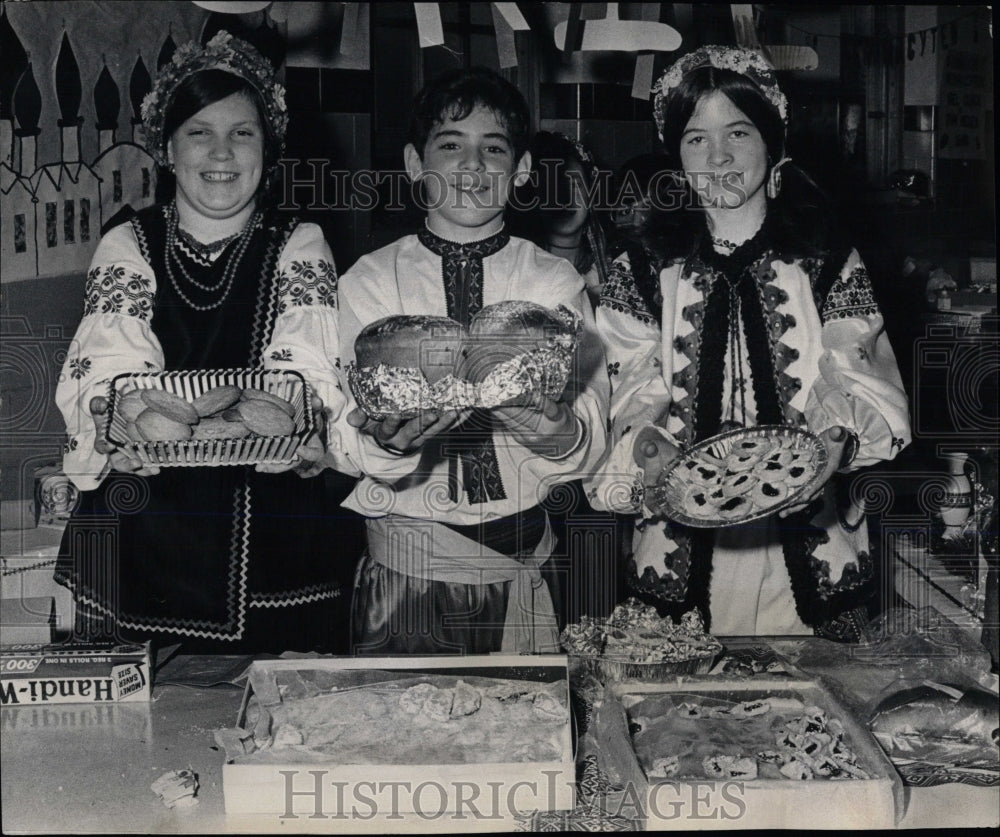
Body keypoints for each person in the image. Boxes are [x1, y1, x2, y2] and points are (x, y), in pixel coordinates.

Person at [586, 47, 912, 640]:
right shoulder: (643, 266)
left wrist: (833, 440)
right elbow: (625, 381)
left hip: (812, 542)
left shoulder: (825, 258)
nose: (719, 156)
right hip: (676, 548)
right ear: (674, 155)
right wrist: (648, 448)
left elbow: (855, 367)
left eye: (738, 131)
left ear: (774, 142)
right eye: (695, 138)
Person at [54, 32, 363, 655]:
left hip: (271, 540)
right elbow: (111, 368)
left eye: (242, 133)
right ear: (167, 149)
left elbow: (303, 370)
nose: (221, 152)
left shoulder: (299, 241)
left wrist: (303, 425)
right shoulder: (128, 242)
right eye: (199, 132)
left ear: (269, 150)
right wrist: (109, 422)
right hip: (142, 531)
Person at [338, 67, 610, 655]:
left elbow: (589, 432)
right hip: (406, 575)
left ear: (523, 170)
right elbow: (345, 427)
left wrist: (560, 433)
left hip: (526, 559)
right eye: (450, 146)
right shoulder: (370, 281)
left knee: (528, 738)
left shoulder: (553, 281)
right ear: (415, 164)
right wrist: (386, 443)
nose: (472, 166)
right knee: (407, 735)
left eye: (494, 149)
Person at [508, 130, 612, 304]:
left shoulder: (616, 269)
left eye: (575, 184)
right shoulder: (518, 273)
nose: (566, 198)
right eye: (553, 187)